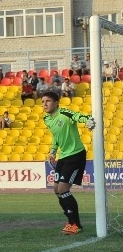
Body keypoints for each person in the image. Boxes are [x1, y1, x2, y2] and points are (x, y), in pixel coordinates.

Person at [42, 90, 95, 235]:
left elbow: (79, 116)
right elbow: (56, 136)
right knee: (56, 189)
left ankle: (76, 224)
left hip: (75, 154)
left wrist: (88, 120)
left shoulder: (64, 113)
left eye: (48, 101)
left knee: (63, 189)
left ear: (56, 103)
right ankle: (70, 221)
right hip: (63, 156)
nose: (44, 104)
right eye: (43, 102)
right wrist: (53, 151)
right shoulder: (46, 119)